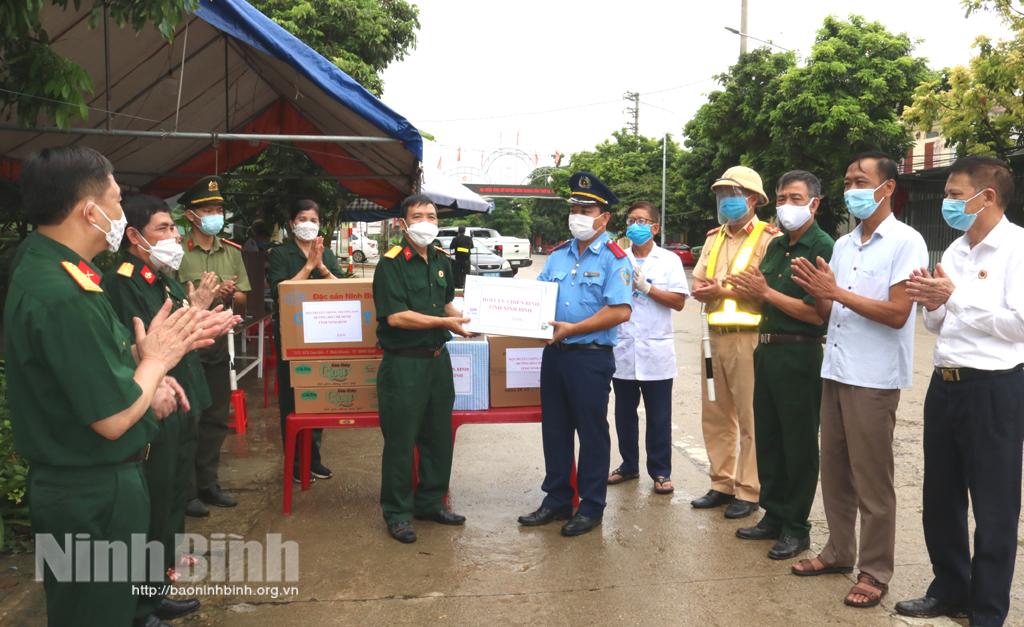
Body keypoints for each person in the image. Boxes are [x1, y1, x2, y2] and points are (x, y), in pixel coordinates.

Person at [5, 146, 225, 627]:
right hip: (89, 492)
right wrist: (158, 361)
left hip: (97, 485)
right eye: (117, 200)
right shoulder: (63, 292)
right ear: (90, 210)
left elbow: (95, 365)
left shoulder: (64, 273)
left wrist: (150, 367)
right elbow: (112, 417)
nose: (121, 213)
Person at [790, 152, 928, 608]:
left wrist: (835, 292)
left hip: (873, 376)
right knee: (834, 470)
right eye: (847, 180)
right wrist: (820, 293)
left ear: (886, 188)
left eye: (860, 181)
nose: (851, 189)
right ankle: (838, 551)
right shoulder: (845, 245)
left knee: (872, 479)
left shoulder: (906, 242)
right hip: (837, 367)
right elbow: (831, 311)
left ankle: (875, 569)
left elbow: (897, 313)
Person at [897, 156, 1024, 626]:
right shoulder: (954, 252)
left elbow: (1019, 324)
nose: (949, 203)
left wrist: (955, 299)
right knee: (941, 498)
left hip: (995, 389)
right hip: (945, 384)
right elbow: (940, 322)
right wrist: (930, 301)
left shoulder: (1017, 248)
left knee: (994, 508)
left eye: (954, 194)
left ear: (986, 196)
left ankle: (987, 611)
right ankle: (950, 587)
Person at [102, 194, 237, 625]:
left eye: (174, 229)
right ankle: (142, 604)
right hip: (154, 402)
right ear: (135, 236)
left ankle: (159, 589)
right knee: (155, 502)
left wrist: (197, 309)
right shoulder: (126, 280)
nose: (174, 237)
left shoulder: (163, 278)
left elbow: (178, 332)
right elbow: (133, 349)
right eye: (164, 229)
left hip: (183, 396)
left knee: (173, 496)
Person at [518, 171, 632, 537]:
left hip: (591, 358)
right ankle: (556, 499)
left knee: (592, 432)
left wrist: (573, 330)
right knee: (555, 429)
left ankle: (591, 505)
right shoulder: (558, 255)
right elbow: (536, 301)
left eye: (586, 208)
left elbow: (620, 311)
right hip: (555, 356)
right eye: (575, 208)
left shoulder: (616, 259)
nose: (578, 214)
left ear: (605, 217)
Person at [729, 171, 834, 561]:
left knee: (799, 443)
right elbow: (765, 301)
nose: (786, 205)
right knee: (769, 438)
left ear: (814, 203)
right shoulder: (775, 248)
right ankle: (773, 514)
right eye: (781, 197)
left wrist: (766, 292)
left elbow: (816, 316)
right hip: (768, 349)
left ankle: (797, 526)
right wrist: (748, 294)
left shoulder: (821, 247)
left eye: (795, 197)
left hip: (799, 354)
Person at [372, 194, 470, 543]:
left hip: (437, 361)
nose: (426, 221)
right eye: (418, 216)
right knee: (401, 441)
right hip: (404, 365)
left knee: (438, 437)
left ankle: (431, 501)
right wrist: (446, 321)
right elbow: (397, 316)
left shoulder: (440, 259)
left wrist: (469, 320)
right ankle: (397, 513)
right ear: (403, 222)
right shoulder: (392, 263)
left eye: (431, 216)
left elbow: (446, 303)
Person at [689, 166, 780, 520]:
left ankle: (748, 489)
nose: (725, 201)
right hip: (713, 337)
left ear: (753, 199)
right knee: (715, 413)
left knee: (750, 417)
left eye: (732, 194)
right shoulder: (714, 238)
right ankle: (721, 483)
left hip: (748, 339)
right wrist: (704, 291)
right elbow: (698, 281)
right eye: (721, 194)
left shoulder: (768, 238)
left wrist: (721, 290)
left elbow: (767, 291)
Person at [177, 176, 251, 517]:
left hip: (218, 344)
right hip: (184, 346)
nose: (215, 215)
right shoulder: (177, 252)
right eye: (208, 209)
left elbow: (243, 301)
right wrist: (202, 299)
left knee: (216, 417)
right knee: (187, 420)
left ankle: (208, 483)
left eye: (219, 209)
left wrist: (228, 294)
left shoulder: (231, 253)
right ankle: (185, 491)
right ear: (191, 216)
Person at [607, 201, 687, 495]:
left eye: (642, 221)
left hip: (656, 351)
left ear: (655, 227)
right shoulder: (617, 259)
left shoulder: (669, 261)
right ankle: (628, 465)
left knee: (658, 416)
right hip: (624, 349)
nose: (635, 225)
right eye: (631, 220)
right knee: (624, 414)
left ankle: (661, 471)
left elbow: (679, 302)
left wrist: (648, 288)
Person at [267, 199, 344, 483]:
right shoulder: (280, 254)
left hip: (322, 331)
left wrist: (321, 266)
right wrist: (308, 265)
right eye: (302, 218)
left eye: (313, 219)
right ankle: (295, 462)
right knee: (292, 398)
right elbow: (280, 292)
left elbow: (344, 290)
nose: (307, 224)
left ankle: (314, 459)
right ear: (292, 224)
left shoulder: (328, 253)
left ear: (320, 224)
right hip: (291, 333)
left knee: (318, 393)